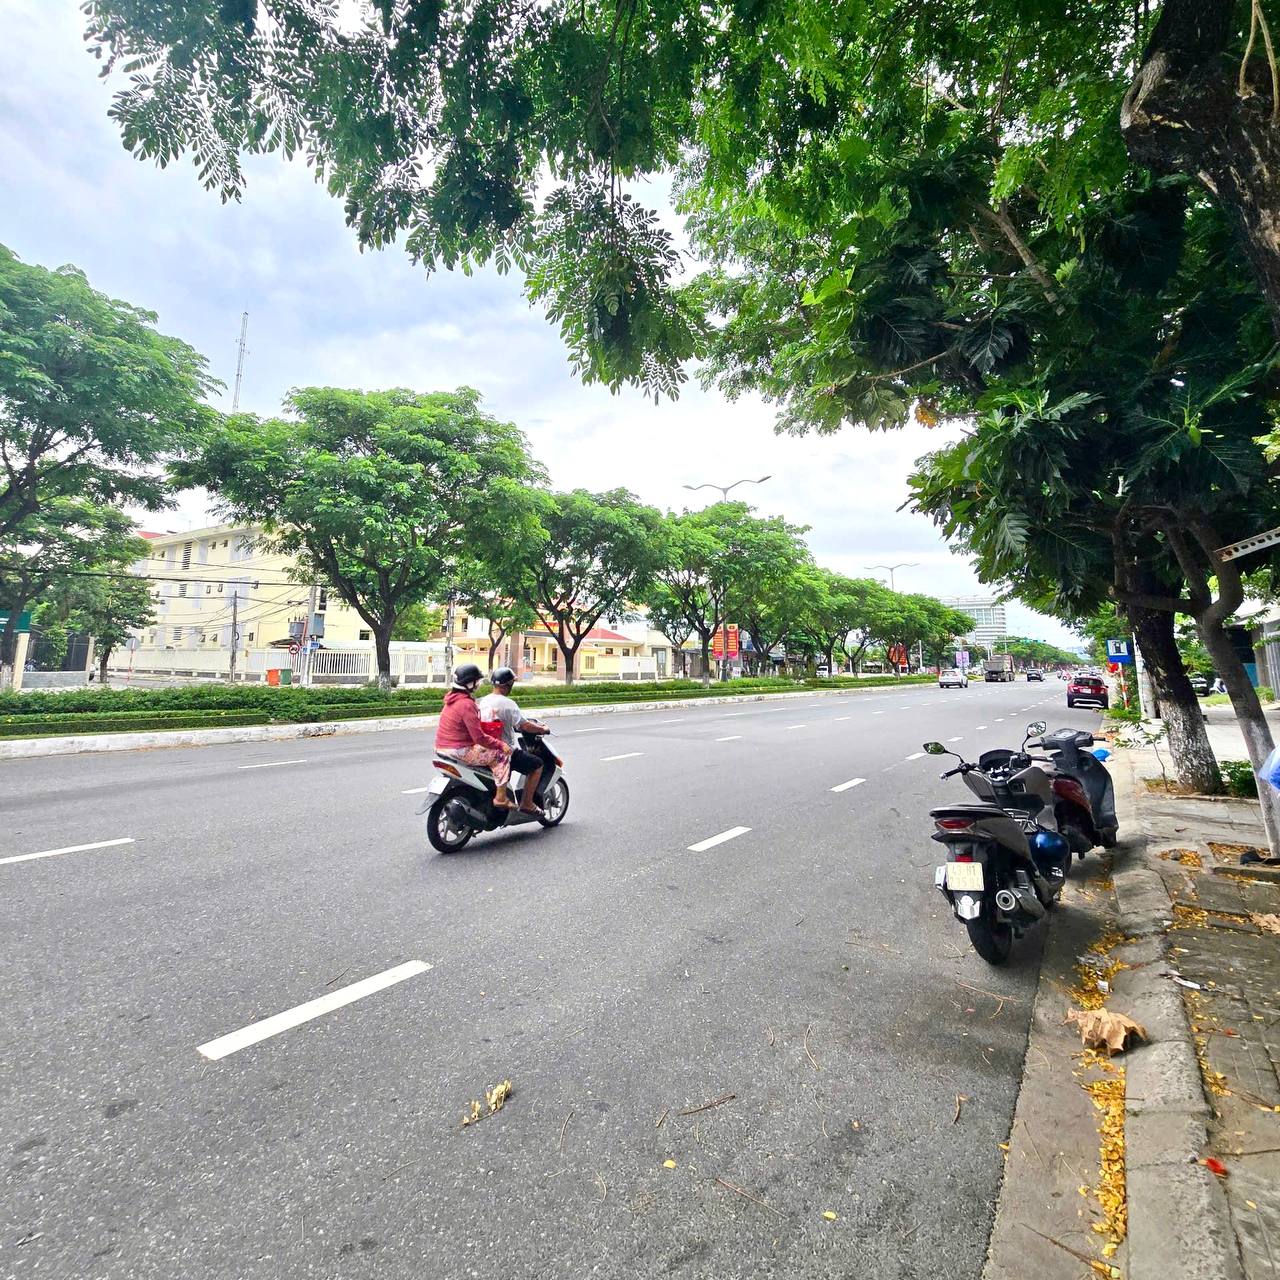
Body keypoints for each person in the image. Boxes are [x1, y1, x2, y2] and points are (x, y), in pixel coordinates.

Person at [435, 663, 517, 810]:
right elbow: (479, 738)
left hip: (442, 748)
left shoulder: (451, 699)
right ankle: (500, 798)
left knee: (485, 749)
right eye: (476, 681)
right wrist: (500, 744)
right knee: (501, 755)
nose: (478, 684)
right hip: (459, 750)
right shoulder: (466, 704)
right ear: (469, 683)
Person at [479, 667, 549, 815]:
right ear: (509, 685)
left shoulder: (484, 701)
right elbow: (524, 725)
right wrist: (542, 729)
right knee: (537, 764)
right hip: (504, 751)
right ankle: (527, 803)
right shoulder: (508, 704)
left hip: (484, 749)